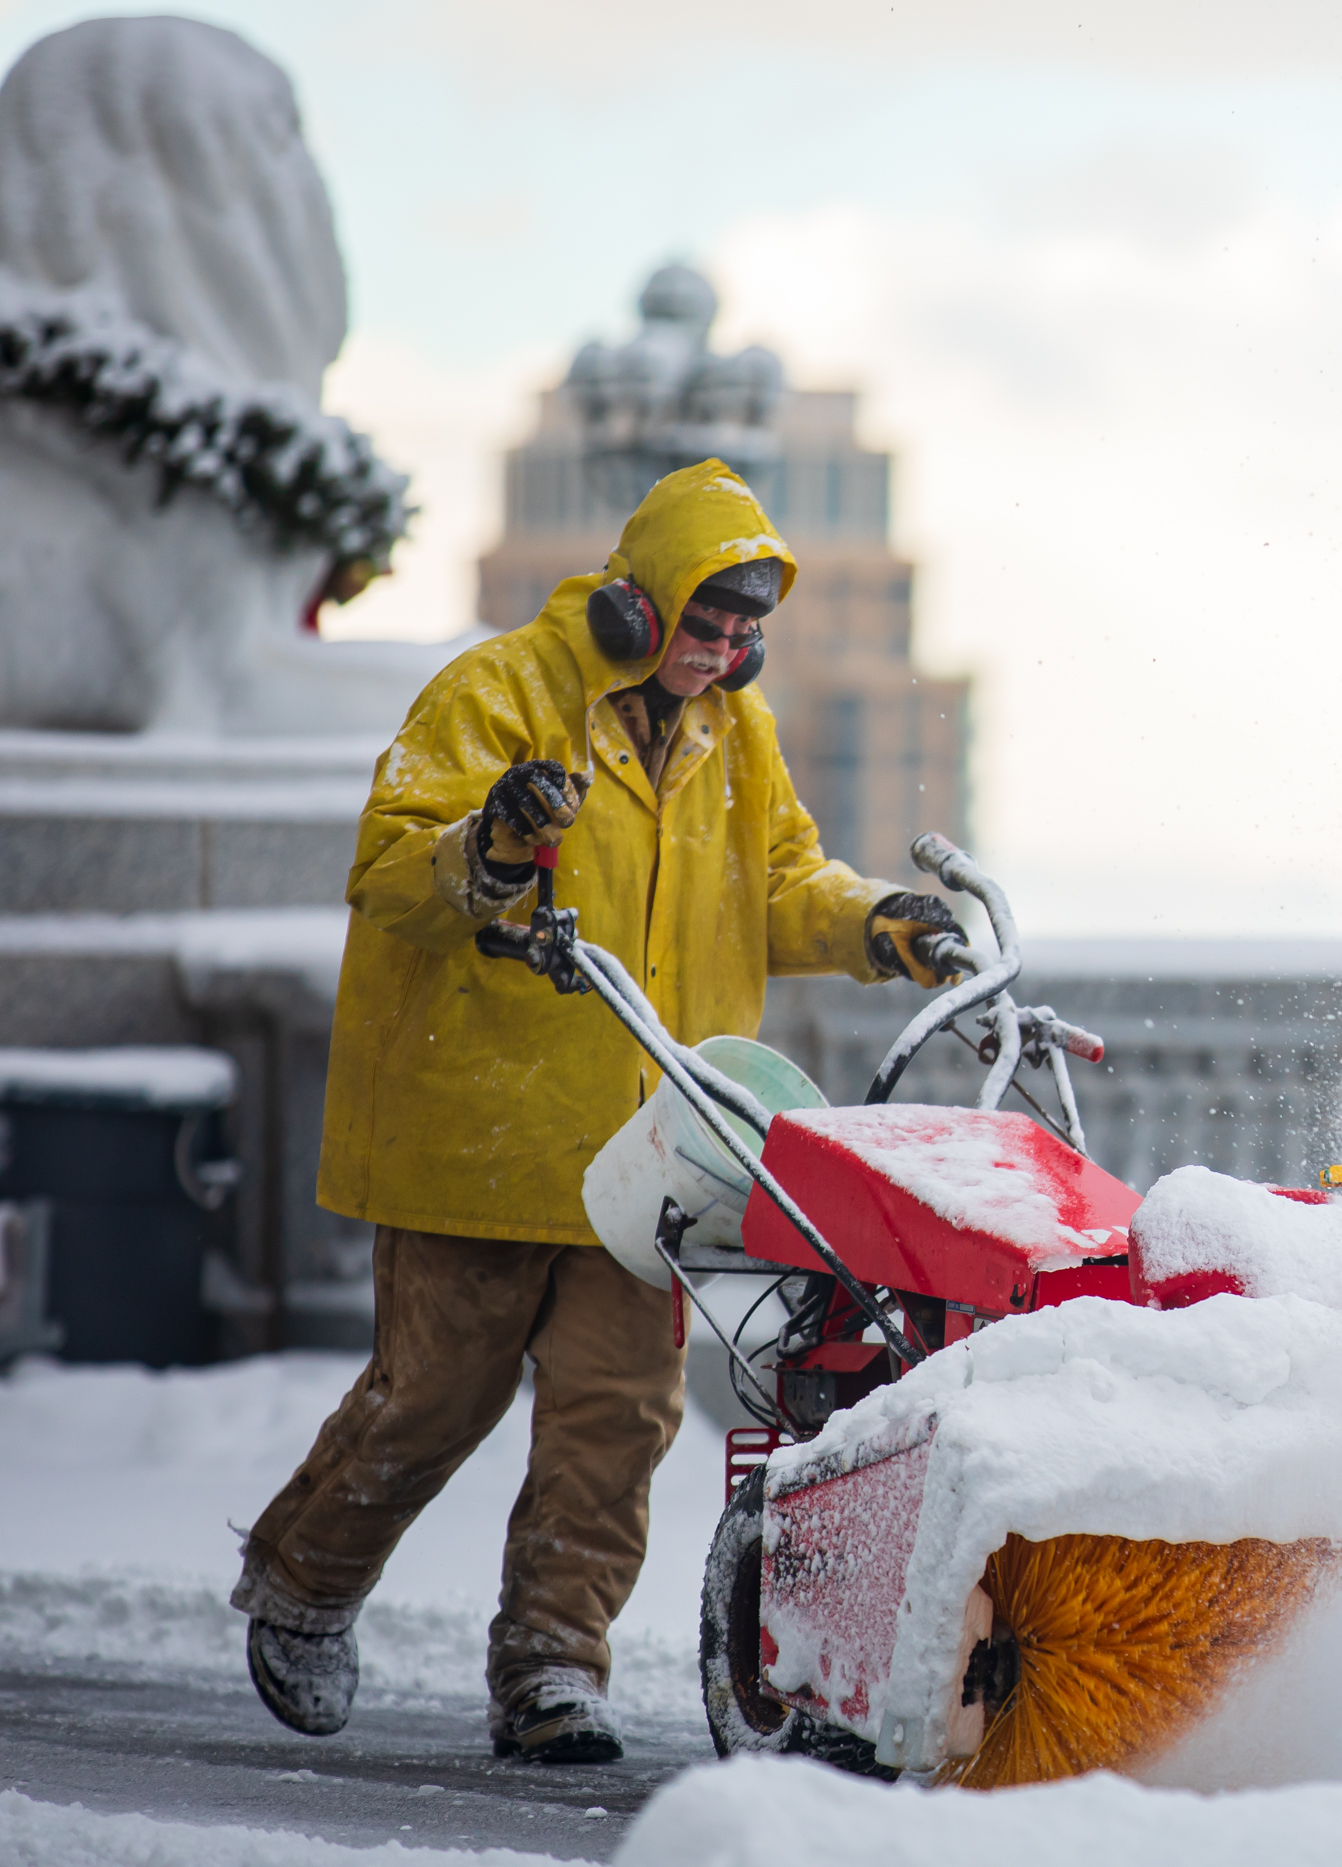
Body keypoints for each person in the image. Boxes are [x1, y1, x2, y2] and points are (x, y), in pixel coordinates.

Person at [228, 460, 964, 1762]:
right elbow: (393, 864)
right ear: (637, 600)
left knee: (616, 1415)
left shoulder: (736, 735)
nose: (725, 653)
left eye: (744, 636)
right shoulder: (495, 691)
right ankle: (305, 1588)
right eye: (705, 625)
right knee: (433, 1396)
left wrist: (879, 927)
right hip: (483, 1130)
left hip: (647, 1147)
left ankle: (552, 1667)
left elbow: (781, 882)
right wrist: (495, 845)